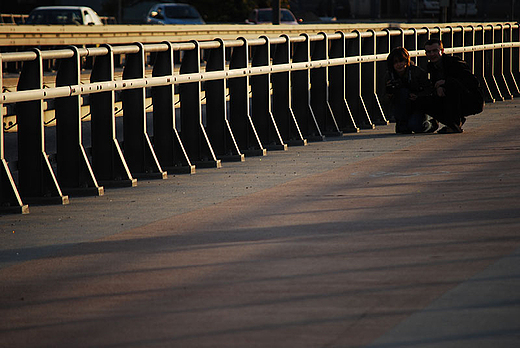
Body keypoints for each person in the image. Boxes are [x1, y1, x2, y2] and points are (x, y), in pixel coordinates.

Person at [424, 38, 484, 133]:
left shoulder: (454, 63)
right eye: (428, 52)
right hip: (452, 100)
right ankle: (454, 122)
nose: (432, 54)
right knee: (423, 100)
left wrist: (445, 83)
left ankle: (454, 123)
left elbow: (472, 82)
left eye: (435, 51)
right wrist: (438, 88)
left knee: (452, 85)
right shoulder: (430, 67)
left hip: (470, 101)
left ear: (442, 51)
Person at [385, 47, 438, 134]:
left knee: (417, 127)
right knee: (403, 130)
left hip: (419, 105)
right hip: (402, 108)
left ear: (407, 61)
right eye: (396, 62)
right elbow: (384, 101)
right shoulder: (389, 77)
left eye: (401, 61)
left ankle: (431, 123)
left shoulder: (417, 72)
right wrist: (389, 93)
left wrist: (417, 96)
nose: (399, 65)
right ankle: (403, 123)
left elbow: (429, 90)